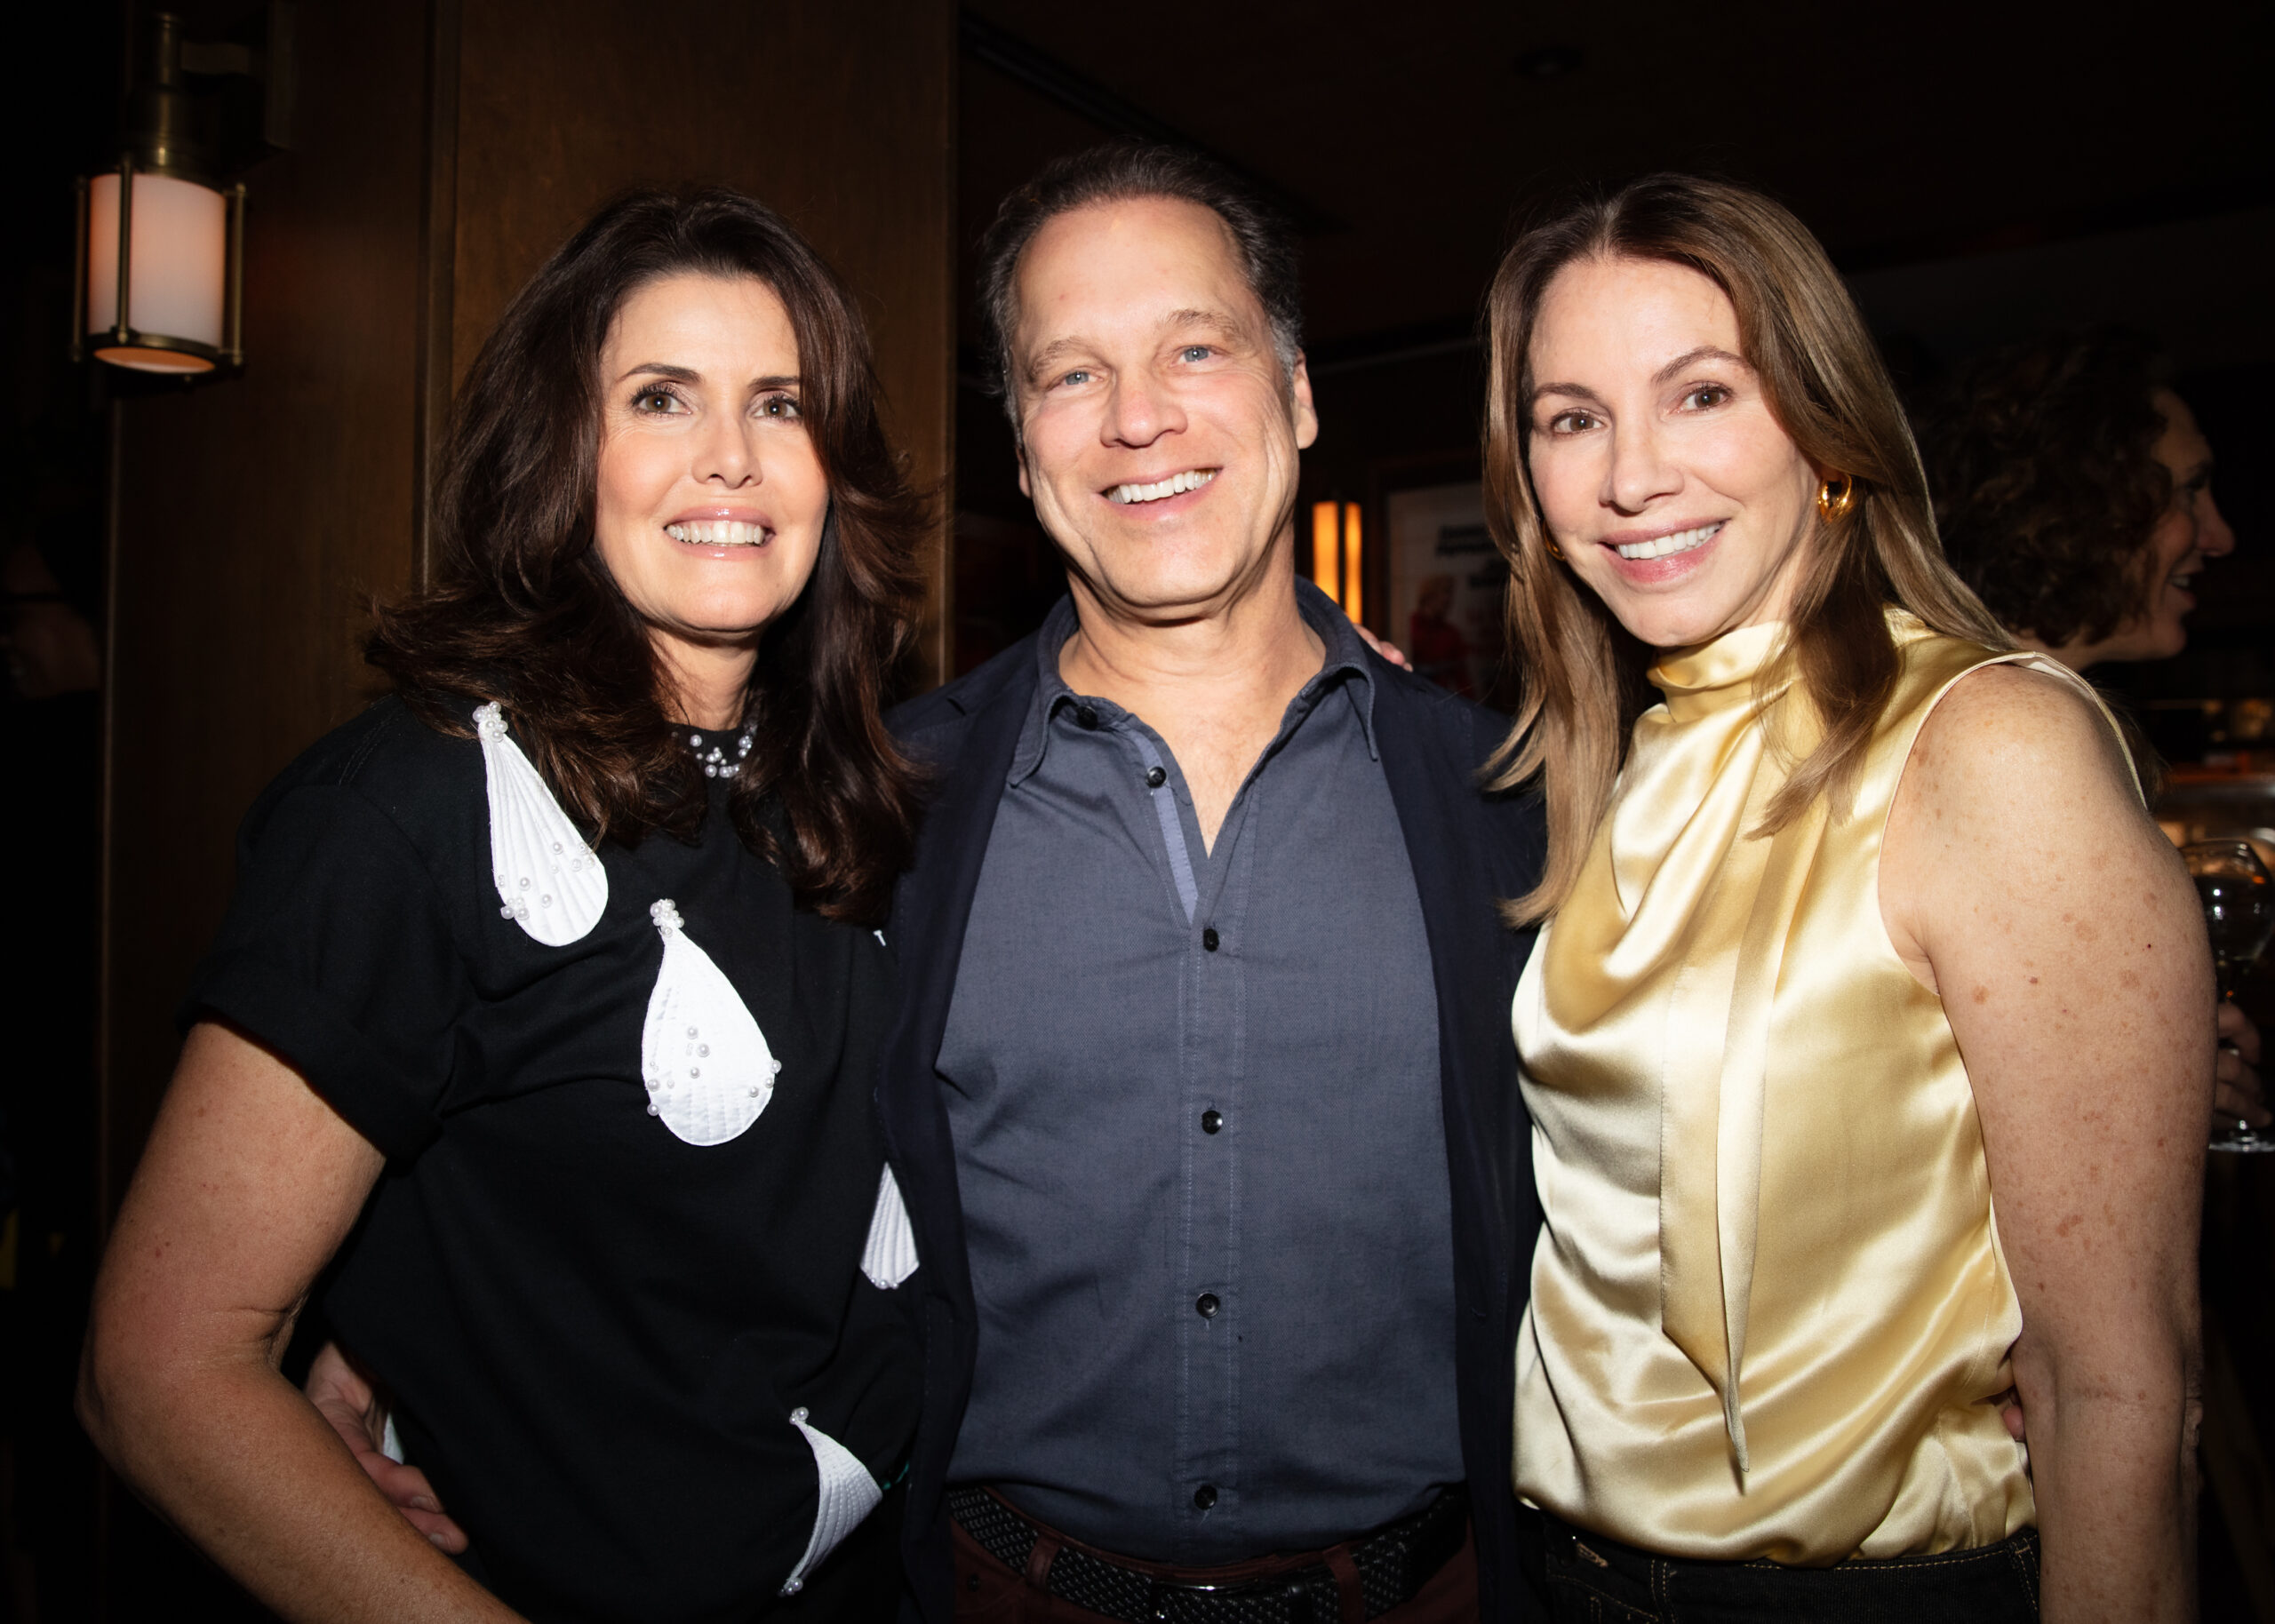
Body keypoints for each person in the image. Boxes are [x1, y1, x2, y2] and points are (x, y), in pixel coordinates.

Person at [76, 187, 929, 1623]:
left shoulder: (858, 799)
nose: (731, 454)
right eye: (661, 397)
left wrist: (392, 1317)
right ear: (562, 448)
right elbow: (157, 1373)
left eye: (782, 404)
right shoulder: (413, 809)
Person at [1483, 177, 2207, 1620]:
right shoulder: (1616, 765)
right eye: (1571, 418)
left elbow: (2115, 1381)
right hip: (1572, 1582)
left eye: (1700, 394)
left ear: (1826, 430)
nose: (1631, 476)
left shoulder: (1989, 746)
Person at [877, 143, 1546, 1621]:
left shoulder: (1506, 801)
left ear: (1296, 393)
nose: (1138, 418)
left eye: (1196, 348)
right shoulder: (882, 806)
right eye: (1071, 374)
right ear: (1023, 447)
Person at [1917, 332, 2263, 1135]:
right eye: (2189, 492)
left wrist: (2156, 1059)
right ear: (2081, 506)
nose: (2219, 536)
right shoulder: (2004, 741)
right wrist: (2151, 1086)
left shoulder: (2009, 715)